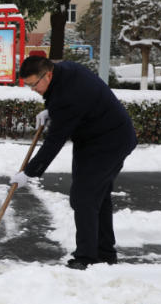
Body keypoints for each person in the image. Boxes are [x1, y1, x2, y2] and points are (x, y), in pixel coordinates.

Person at [11, 57, 138, 270]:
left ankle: (85, 258)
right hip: (98, 138)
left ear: (48, 75)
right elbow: (80, 99)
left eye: (34, 84)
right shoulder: (66, 69)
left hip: (108, 143)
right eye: (28, 85)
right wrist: (52, 111)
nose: (32, 89)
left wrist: (29, 172)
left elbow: (54, 142)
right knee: (98, 196)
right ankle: (105, 252)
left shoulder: (66, 98)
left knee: (84, 197)